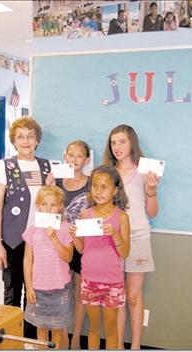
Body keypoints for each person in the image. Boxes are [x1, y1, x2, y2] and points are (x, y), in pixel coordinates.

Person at [0, 116, 52, 338]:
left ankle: (30, 338)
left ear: (37, 140)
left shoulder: (46, 166)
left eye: (30, 136)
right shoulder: (4, 166)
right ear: (14, 141)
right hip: (13, 239)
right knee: (13, 291)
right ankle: (10, 339)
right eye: (20, 136)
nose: (26, 141)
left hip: (40, 241)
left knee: (34, 292)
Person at [103, 125, 159, 349]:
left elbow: (153, 212)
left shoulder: (145, 171)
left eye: (122, 142)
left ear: (132, 143)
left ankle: (135, 347)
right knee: (116, 299)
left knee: (133, 298)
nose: (117, 147)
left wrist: (152, 190)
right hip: (110, 240)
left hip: (138, 237)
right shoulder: (107, 173)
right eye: (114, 142)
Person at [70, 165, 131, 349]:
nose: (98, 191)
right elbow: (81, 249)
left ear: (115, 190)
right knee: (94, 328)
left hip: (112, 282)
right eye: (95, 186)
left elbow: (125, 253)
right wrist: (75, 237)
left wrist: (115, 235)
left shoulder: (121, 217)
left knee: (111, 329)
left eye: (104, 187)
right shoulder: (85, 214)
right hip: (89, 280)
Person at [23, 185, 74, 349]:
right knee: (41, 329)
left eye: (52, 205)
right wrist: (29, 287)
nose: (48, 208)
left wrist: (54, 238)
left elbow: (68, 257)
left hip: (60, 289)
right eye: (44, 204)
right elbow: (27, 260)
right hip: (38, 288)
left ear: (59, 207)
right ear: (38, 206)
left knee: (57, 330)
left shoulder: (65, 228)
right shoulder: (33, 230)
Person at [55, 140, 91, 349]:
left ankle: (75, 338)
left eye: (79, 156)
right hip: (59, 244)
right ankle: (61, 337)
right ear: (64, 156)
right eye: (70, 155)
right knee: (61, 292)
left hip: (83, 244)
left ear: (86, 159)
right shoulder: (56, 181)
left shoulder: (90, 183)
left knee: (79, 294)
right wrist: (49, 187)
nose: (74, 160)